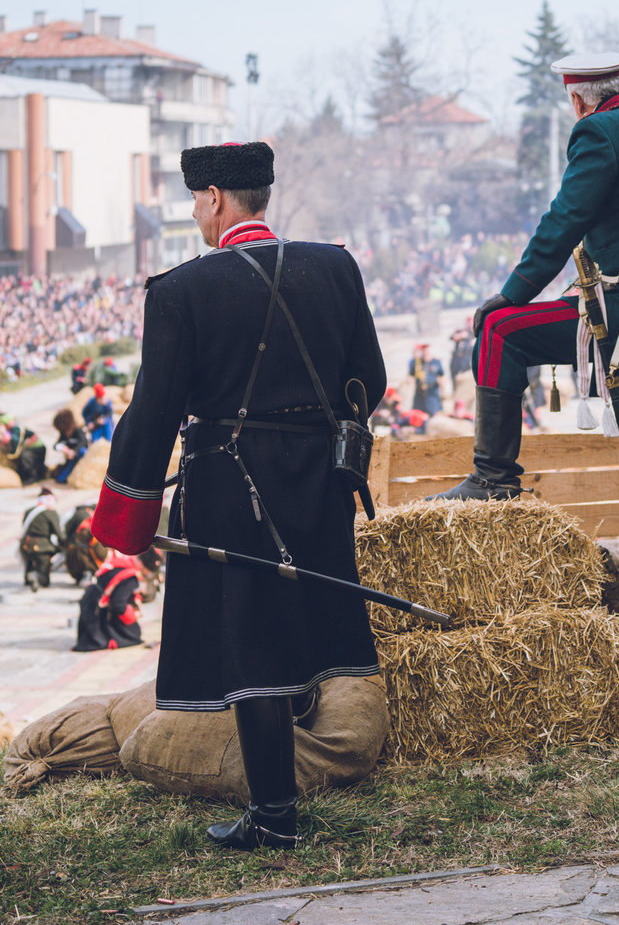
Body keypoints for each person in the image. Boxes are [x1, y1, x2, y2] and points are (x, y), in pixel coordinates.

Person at [90, 140, 385, 851]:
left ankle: (275, 816)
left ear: (216, 199)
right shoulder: (336, 265)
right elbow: (366, 380)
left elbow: (154, 412)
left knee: (250, 641)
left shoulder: (179, 291)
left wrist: (123, 512)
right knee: (307, 628)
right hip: (319, 479)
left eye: (197, 200)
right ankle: (281, 798)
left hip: (230, 481)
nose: (196, 213)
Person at [428, 52, 619, 610]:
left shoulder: (598, 132)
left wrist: (514, 290)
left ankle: (493, 478)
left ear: (578, 100)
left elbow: (564, 219)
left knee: (500, 328)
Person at [72, 548, 143, 651]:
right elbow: (118, 605)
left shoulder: (122, 563)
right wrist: (132, 615)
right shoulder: (130, 576)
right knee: (134, 634)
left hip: (91, 602)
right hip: (97, 610)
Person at [19, 488, 63, 590]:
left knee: (29, 563)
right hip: (43, 546)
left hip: (26, 544)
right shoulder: (51, 513)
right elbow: (57, 533)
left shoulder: (29, 511)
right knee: (44, 579)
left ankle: (29, 575)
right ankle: (37, 577)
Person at [0, 420, 47, 484]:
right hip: (31, 449)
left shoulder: (16, 432)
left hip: (36, 449)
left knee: (25, 459)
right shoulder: (12, 430)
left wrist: (9, 456)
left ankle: (32, 478)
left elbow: (15, 452)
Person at [52, 407, 89, 482]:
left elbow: (83, 442)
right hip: (70, 458)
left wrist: (74, 452)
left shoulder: (78, 430)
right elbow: (56, 445)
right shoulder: (63, 434)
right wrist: (64, 449)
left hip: (79, 456)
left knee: (82, 451)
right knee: (60, 479)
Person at [409, 342, 444, 416]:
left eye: (426, 350)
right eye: (423, 350)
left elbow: (442, 375)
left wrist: (442, 385)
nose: (425, 352)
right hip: (420, 394)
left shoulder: (436, 362)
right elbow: (411, 375)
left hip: (432, 393)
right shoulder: (417, 362)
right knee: (417, 415)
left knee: (433, 414)